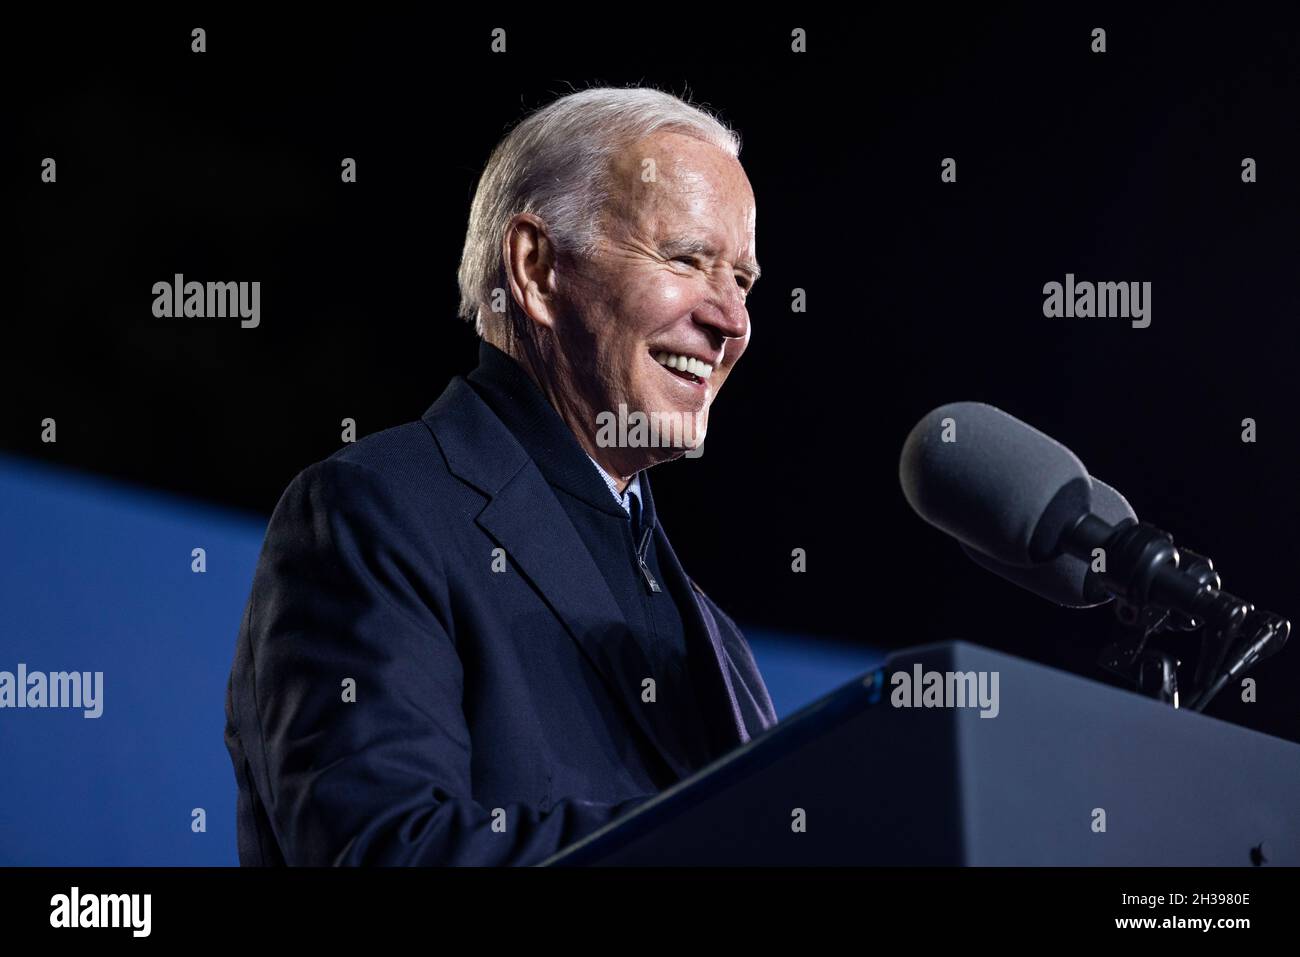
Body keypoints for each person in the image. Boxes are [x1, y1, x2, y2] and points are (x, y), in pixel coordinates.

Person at [224, 86, 776, 865]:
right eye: (687, 259)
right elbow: (390, 850)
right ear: (537, 268)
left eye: (743, 281)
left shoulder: (722, 647)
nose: (730, 321)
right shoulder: (373, 512)